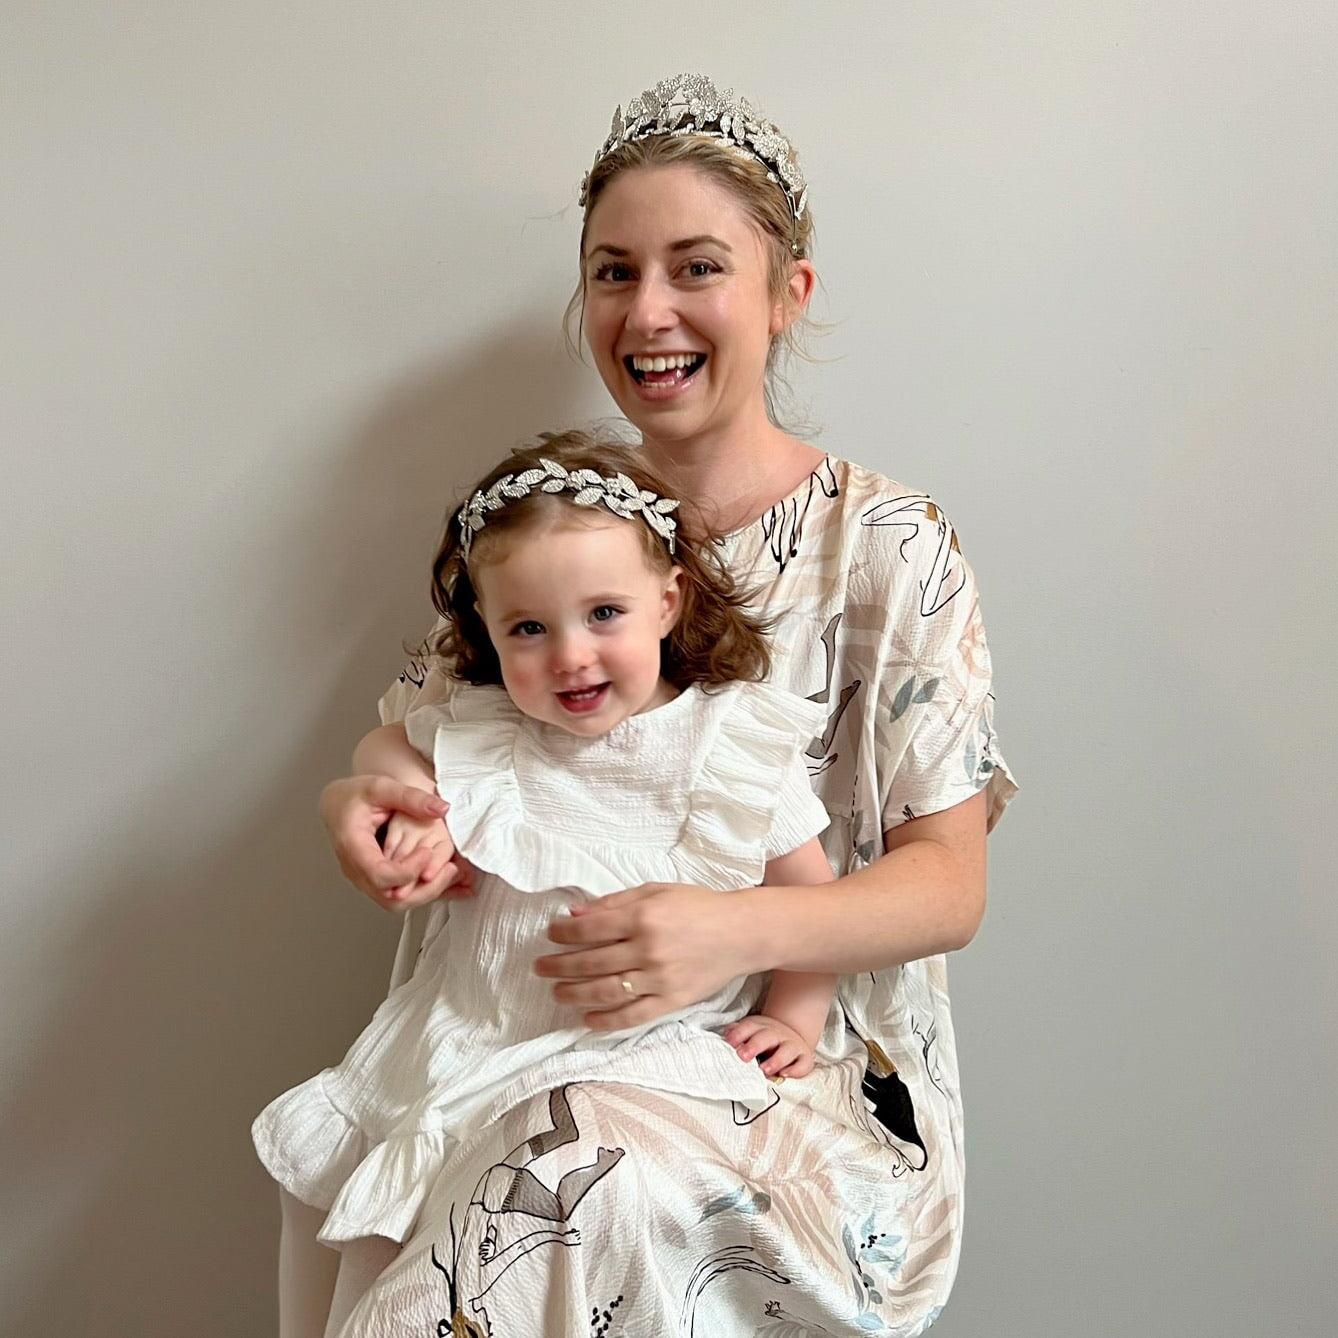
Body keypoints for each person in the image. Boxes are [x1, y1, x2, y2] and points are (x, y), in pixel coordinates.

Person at [310, 74, 1017, 1337]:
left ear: (788, 293)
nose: (648, 312)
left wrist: (733, 934)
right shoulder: (544, 527)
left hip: (776, 1064)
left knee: (579, 1173)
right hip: (507, 1038)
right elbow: (424, 738)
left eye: (697, 268)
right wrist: (370, 811)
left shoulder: (888, 546)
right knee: (430, 1192)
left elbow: (947, 887)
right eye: (613, 273)